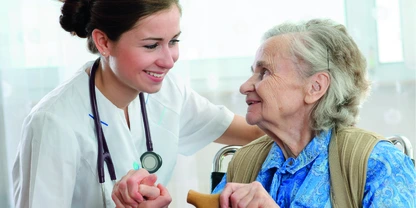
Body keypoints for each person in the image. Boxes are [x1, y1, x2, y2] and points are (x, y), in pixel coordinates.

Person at [11, 0, 264, 207]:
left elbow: (256, 132)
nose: (169, 60)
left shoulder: (167, 93)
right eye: (152, 45)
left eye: (174, 41)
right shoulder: (53, 123)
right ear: (104, 42)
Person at [212, 19, 416, 207]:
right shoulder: (244, 162)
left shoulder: (379, 164)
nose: (245, 86)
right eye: (253, 73)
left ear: (315, 87)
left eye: (264, 72)